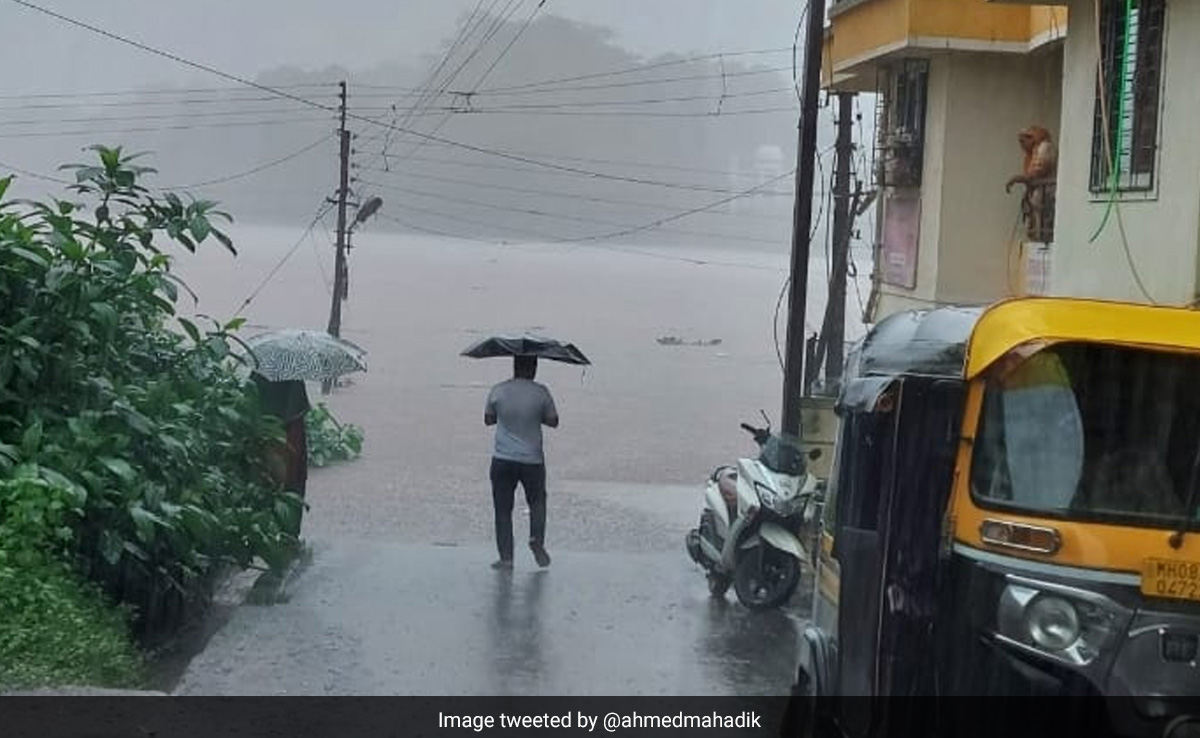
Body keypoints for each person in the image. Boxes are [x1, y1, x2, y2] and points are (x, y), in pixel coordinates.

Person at [484, 355, 559, 570]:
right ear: (533, 367)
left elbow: (488, 419)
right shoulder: (541, 392)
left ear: (515, 366)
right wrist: (537, 416)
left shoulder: (498, 390)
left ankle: (506, 558)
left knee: (502, 510)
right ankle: (536, 539)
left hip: (502, 459)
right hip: (532, 460)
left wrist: (506, 416)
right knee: (537, 503)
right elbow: (554, 421)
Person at [252, 372, 310, 537]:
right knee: (292, 485)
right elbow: (297, 411)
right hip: (290, 440)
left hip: (263, 438)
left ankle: (263, 535)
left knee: (262, 485)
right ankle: (289, 537)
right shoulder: (293, 378)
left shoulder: (258, 374)